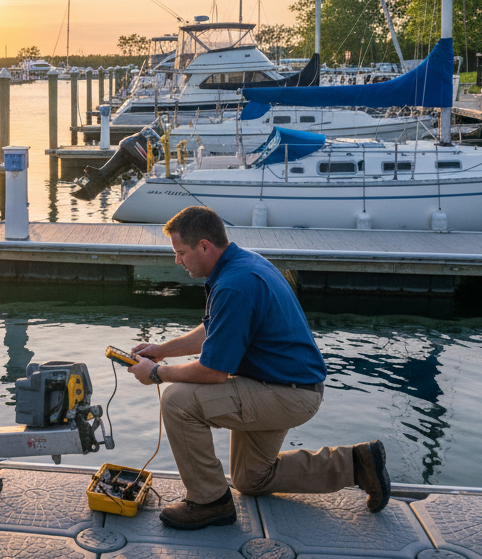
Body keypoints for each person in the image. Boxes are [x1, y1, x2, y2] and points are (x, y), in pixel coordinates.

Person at [128, 206, 389, 530]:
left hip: (286, 393)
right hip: (286, 385)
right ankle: (356, 464)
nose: (177, 261)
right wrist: (161, 350)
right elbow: (213, 331)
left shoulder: (234, 284)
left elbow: (213, 372)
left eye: (181, 253)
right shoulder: (240, 265)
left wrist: (156, 374)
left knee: (176, 401)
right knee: (250, 478)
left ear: (204, 247)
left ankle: (209, 502)